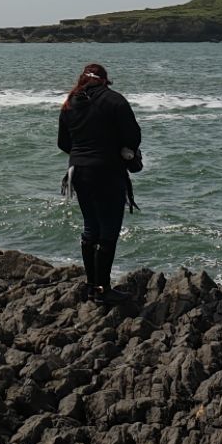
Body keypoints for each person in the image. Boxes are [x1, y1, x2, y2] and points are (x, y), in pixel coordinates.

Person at [57, 62, 141, 304]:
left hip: (78, 171)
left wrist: (83, 153)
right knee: (109, 230)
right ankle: (104, 290)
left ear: (82, 80)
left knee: (91, 227)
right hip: (107, 171)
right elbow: (133, 136)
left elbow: (63, 143)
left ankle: (92, 286)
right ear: (105, 80)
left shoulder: (69, 103)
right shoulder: (115, 101)